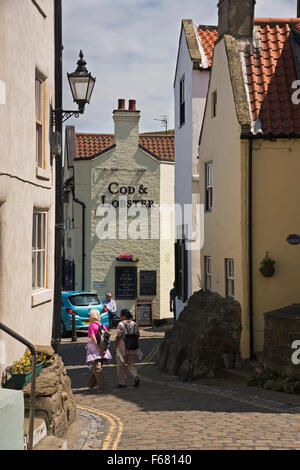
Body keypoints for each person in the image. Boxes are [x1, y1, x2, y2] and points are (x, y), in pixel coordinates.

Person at [113, 309, 143, 388]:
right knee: (131, 364)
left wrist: (115, 346)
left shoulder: (120, 324)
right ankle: (136, 376)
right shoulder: (135, 324)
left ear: (124, 316)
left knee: (121, 364)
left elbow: (118, 336)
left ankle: (122, 383)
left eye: (121, 315)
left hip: (122, 345)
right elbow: (138, 335)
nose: (120, 317)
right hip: (132, 346)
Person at [86, 309, 112, 393]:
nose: (89, 317)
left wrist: (98, 348)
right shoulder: (103, 325)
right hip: (103, 349)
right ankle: (90, 384)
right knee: (97, 368)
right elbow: (107, 338)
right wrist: (104, 349)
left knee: (97, 369)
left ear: (92, 317)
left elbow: (93, 338)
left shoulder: (91, 326)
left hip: (95, 350)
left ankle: (103, 387)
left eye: (89, 315)